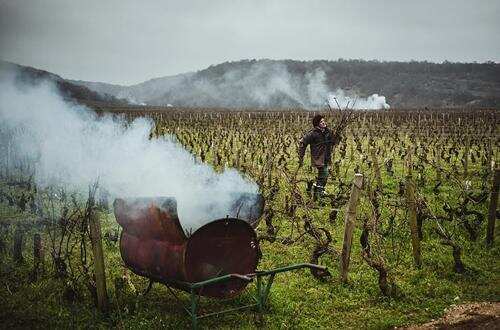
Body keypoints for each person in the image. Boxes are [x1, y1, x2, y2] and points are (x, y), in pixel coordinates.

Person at [298, 114, 340, 201]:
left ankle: (318, 190)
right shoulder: (313, 134)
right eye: (321, 122)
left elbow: (334, 142)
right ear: (317, 124)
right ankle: (319, 191)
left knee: (324, 174)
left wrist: (337, 135)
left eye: (324, 121)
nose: (324, 122)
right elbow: (302, 142)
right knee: (324, 173)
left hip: (327, 157)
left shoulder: (328, 132)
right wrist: (301, 156)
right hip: (318, 157)